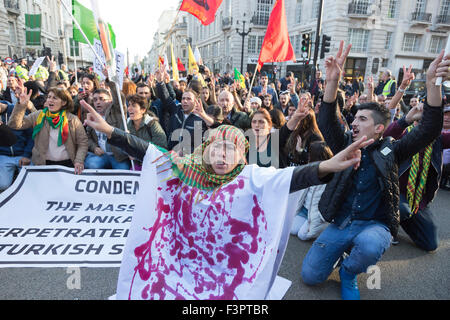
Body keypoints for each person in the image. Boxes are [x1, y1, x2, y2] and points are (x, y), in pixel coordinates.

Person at [79, 97, 374, 300]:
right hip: (183, 259)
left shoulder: (251, 176)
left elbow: (293, 178)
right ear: (205, 149)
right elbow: (148, 152)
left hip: (228, 265)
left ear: (241, 155)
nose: (222, 155)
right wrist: (110, 131)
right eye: (216, 148)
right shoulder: (185, 169)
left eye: (230, 149)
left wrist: (327, 166)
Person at [301, 42, 448, 300]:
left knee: (369, 246)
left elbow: (429, 129)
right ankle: (342, 250)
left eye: (362, 119)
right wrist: (332, 81)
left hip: (374, 226)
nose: (354, 123)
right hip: (341, 223)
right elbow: (326, 120)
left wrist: (432, 84)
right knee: (311, 277)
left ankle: (349, 272)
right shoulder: (344, 145)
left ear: (379, 129)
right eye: (354, 118)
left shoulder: (393, 150)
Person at [383, 100, 450, 251]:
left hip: (416, 198)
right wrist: (406, 119)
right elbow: (385, 137)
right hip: (392, 192)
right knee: (402, 208)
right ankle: (385, 225)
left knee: (430, 243)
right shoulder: (404, 133)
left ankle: (401, 218)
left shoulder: (437, 139)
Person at [8, 86, 88, 174]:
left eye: (55, 98)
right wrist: (21, 105)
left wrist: (79, 160)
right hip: (43, 165)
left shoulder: (73, 120)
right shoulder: (38, 115)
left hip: (68, 165)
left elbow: (82, 143)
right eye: (49, 97)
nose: (50, 100)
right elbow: (14, 125)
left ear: (64, 102)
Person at [155, 66, 215, 154]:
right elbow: (166, 98)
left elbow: (197, 144)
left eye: (189, 99)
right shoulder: (176, 109)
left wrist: (184, 152)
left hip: (187, 161)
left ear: (195, 101)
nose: (185, 101)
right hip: (170, 153)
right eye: (183, 98)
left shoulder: (198, 119)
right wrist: (160, 82)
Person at [290, 141, 333, 241]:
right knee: (292, 230)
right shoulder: (310, 169)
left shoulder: (330, 175)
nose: (308, 156)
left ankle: (327, 227)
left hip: (317, 215)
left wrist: (321, 218)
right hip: (304, 209)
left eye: (310, 154)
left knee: (303, 235)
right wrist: (299, 149)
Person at [84, 86, 131, 170]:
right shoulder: (91, 116)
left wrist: (110, 82)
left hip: (118, 157)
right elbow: (87, 137)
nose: (98, 102)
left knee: (123, 171)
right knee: (92, 165)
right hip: (101, 156)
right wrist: (94, 148)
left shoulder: (117, 112)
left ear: (110, 101)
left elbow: (120, 99)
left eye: (102, 99)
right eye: (95, 100)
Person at [126, 94, 167, 171]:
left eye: (134, 106)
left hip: (153, 165)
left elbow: (161, 147)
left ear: (143, 110)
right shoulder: (127, 124)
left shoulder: (152, 124)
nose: (129, 109)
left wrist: (137, 154)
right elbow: (118, 145)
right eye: (129, 105)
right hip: (136, 165)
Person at [0, 100, 34, 192]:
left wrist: (26, 155)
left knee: (31, 183)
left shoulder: (18, 110)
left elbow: (31, 136)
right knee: (3, 185)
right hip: (3, 156)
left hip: (23, 154)